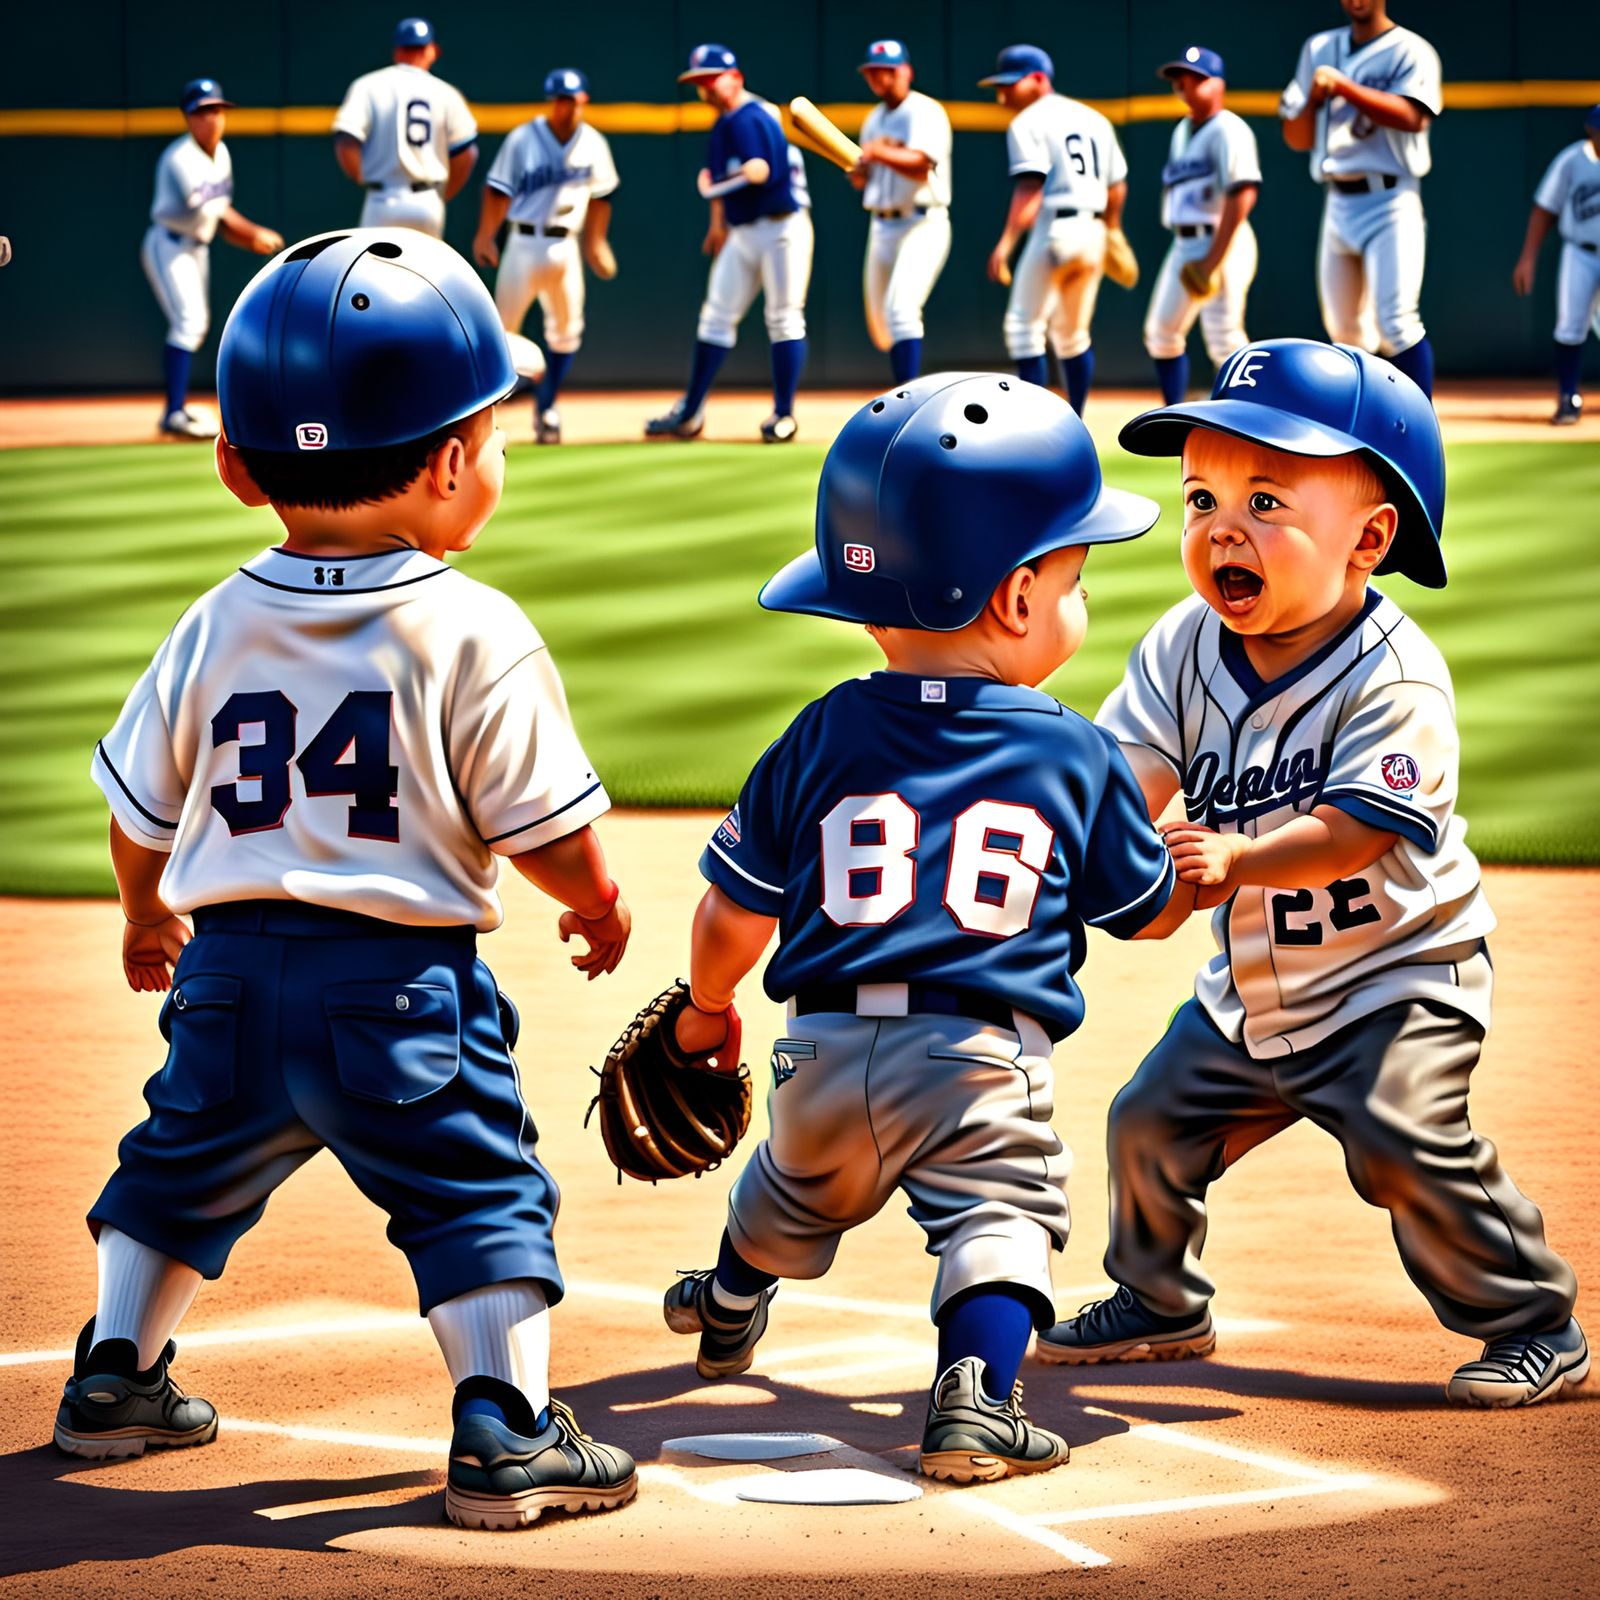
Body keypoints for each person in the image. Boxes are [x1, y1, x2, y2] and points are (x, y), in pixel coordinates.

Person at [57, 228, 640, 1530]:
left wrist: (146, 911)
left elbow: (140, 806)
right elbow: (540, 823)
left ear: (232, 462)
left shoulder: (212, 617)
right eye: (489, 438)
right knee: (474, 1190)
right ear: (449, 465)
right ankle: (507, 1425)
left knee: (178, 1166)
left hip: (222, 977)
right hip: (399, 991)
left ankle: (115, 1377)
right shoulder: (471, 625)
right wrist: (594, 902)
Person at [656, 373, 1195, 1482]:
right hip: (977, 1058)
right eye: (1075, 576)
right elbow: (1143, 916)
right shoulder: (1071, 747)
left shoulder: (817, 733)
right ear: (1014, 598)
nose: (1080, 597)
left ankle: (727, 1300)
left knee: (784, 1191)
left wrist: (707, 1009)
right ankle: (975, 1399)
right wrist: (1194, 869)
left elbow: (731, 910)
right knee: (1001, 1214)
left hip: (818, 1050)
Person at [1036, 338, 1586, 1409]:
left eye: (1268, 500)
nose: (1220, 528)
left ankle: (1533, 1322)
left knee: (1399, 1139)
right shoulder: (1183, 643)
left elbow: (1354, 834)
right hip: (1250, 990)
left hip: (1396, 980)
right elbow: (1128, 773)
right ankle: (1159, 1301)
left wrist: (1239, 855)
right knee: (1149, 1121)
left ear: (1369, 539)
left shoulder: (1395, 673)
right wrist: (1062, 850)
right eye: (1201, 497)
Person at [646, 44, 812, 444]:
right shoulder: (724, 124)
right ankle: (691, 411)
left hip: (782, 228)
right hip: (742, 231)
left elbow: (761, 172)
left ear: (735, 77)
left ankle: (784, 415)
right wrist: (717, 221)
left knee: (784, 318)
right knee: (715, 316)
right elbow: (730, 176)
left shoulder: (756, 115)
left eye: (710, 78)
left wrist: (713, 188)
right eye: (699, 82)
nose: (705, 88)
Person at [1279, 0, 1441, 396]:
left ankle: (1419, 428)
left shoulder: (1410, 49)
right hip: (1337, 199)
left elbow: (1413, 117)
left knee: (1397, 322)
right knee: (1345, 332)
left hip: (1391, 199)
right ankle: (1362, 431)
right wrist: (1316, 99)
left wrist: (1345, 87)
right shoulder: (1318, 49)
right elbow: (1295, 136)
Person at [980, 44, 1128, 415]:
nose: (1003, 93)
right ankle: (1075, 418)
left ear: (1039, 79)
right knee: (1072, 335)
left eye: (1011, 83)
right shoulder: (1095, 118)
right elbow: (1117, 185)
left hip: (1054, 229)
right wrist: (1112, 229)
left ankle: (1035, 425)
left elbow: (1030, 187)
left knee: (1022, 328)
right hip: (1092, 232)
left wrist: (1006, 243)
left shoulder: (1027, 122)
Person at [475, 68, 620, 444]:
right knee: (501, 333)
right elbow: (496, 190)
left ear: (583, 99)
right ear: (550, 101)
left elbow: (603, 196)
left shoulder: (593, 143)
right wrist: (486, 235)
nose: (564, 106)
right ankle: (488, 414)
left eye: (570, 99)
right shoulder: (524, 138)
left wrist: (596, 243)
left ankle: (547, 406)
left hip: (566, 245)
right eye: (558, 99)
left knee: (567, 333)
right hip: (523, 242)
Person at [141, 78, 282, 440]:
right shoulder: (180, 158)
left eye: (217, 110)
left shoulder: (222, 154)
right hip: (168, 245)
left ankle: (176, 411)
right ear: (188, 118)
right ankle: (172, 414)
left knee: (196, 323)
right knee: (188, 322)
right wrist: (253, 233)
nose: (213, 118)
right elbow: (219, 212)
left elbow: (218, 219)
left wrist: (246, 240)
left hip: (196, 244)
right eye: (203, 112)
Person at [1142, 47, 1261, 405]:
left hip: (1222, 239)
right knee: (1161, 334)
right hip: (1184, 242)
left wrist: (1212, 260)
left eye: (1195, 79)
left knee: (1225, 339)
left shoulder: (1229, 129)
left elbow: (1242, 195)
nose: (1184, 87)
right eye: (1180, 81)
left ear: (1217, 83)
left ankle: (1246, 422)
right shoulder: (1182, 130)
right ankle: (1174, 418)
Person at [850, 39, 952, 384]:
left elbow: (922, 165)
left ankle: (906, 398)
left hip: (923, 222)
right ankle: (904, 389)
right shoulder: (873, 119)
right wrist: (860, 172)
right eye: (873, 72)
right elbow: (862, 182)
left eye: (888, 71)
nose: (880, 78)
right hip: (881, 224)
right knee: (881, 328)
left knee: (902, 311)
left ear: (905, 71)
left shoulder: (925, 111)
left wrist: (878, 153)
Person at [334, 16, 478, 238]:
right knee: (423, 272)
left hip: (381, 199)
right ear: (431, 51)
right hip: (426, 199)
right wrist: (443, 194)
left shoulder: (368, 85)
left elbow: (346, 142)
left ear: (398, 51)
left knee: (373, 270)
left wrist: (362, 177)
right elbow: (467, 152)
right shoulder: (445, 92)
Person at [1512, 104, 1600, 426]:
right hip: (1581, 252)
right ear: (1591, 130)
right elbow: (1544, 209)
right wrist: (1528, 257)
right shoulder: (1571, 160)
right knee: (1570, 325)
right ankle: (1568, 396)